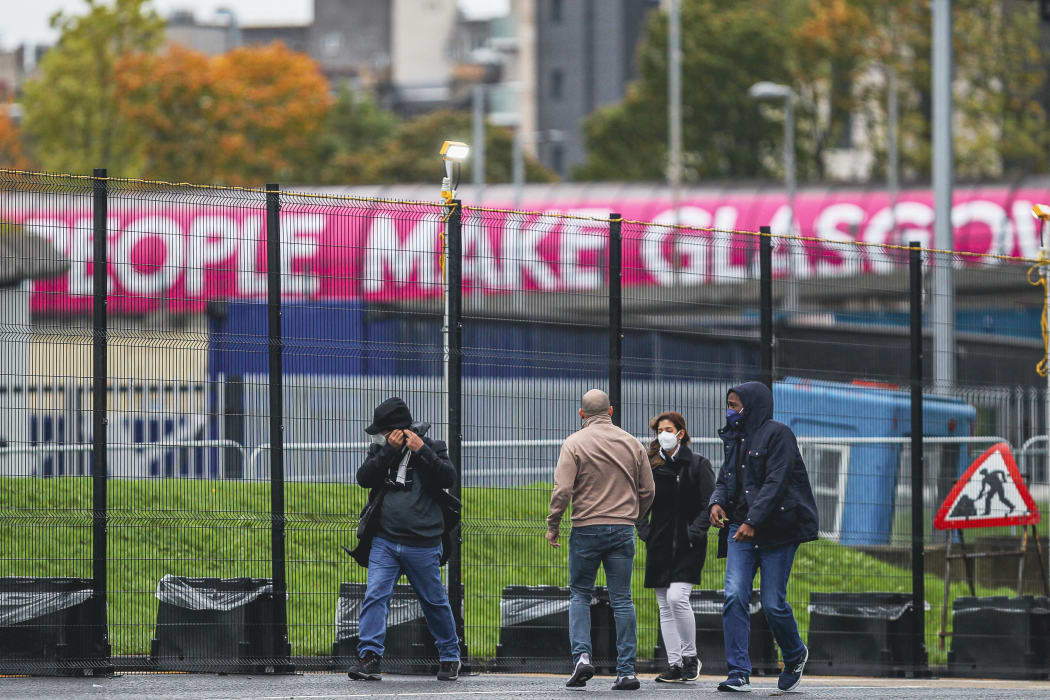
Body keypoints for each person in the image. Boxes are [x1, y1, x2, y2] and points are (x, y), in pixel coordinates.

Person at [708, 382, 819, 693]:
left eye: (735, 405)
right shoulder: (733, 438)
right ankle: (738, 672)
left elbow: (776, 481)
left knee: (772, 603)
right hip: (739, 529)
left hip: (778, 532)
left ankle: (795, 654)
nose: (730, 411)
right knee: (734, 596)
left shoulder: (779, 434)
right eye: (728, 404)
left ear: (753, 405)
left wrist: (754, 520)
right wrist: (716, 501)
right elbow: (726, 478)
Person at [346, 397, 462, 682]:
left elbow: (448, 477)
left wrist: (421, 451)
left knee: (434, 601)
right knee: (376, 595)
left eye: (385, 431)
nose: (382, 437)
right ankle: (370, 657)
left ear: (397, 429)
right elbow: (363, 478)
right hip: (385, 541)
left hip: (423, 543)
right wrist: (388, 452)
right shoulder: (382, 451)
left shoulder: (433, 448)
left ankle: (449, 656)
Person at [547, 389, 655, 691]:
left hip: (586, 529)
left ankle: (582, 656)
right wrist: (633, 515)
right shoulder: (631, 443)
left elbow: (563, 490)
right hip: (622, 529)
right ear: (610, 411)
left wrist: (553, 522)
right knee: (622, 598)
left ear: (581, 414)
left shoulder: (574, 443)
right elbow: (648, 490)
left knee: (580, 594)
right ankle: (626, 671)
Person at [635, 411, 715, 684]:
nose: (663, 434)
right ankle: (675, 663)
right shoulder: (651, 466)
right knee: (664, 605)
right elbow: (638, 502)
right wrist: (645, 531)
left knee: (676, 598)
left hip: (688, 545)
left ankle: (691, 657)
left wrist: (694, 532)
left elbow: (710, 504)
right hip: (658, 545)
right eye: (659, 430)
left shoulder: (698, 465)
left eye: (668, 429)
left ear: (681, 432)